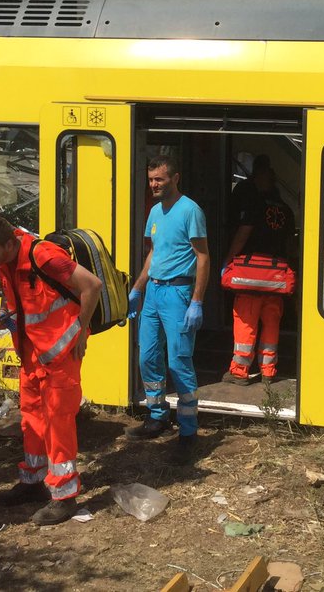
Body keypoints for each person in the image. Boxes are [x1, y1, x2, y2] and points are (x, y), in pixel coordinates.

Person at [0, 215, 101, 525]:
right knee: (31, 418)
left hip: (60, 354)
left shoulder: (42, 256)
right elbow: (20, 297)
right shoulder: (5, 262)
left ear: (8, 244)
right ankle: (32, 481)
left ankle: (65, 496)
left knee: (58, 424)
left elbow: (92, 286)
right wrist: (6, 313)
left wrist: (81, 334)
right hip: (33, 354)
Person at [125, 155, 210, 462]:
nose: (154, 185)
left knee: (179, 361)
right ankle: (157, 415)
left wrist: (196, 301)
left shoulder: (190, 210)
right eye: (151, 179)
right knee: (147, 355)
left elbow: (202, 257)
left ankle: (188, 431)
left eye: (159, 179)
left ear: (175, 178)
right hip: (154, 292)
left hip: (178, 292)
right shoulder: (154, 211)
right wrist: (137, 289)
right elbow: (153, 254)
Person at [223, 155, 296, 384]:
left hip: (249, 276)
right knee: (272, 323)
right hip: (275, 278)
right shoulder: (285, 209)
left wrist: (227, 262)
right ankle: (268, 371)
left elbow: (242, 235)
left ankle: (239, 372)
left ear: (258, 177)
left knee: (246, 323)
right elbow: (290, 244)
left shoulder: (253, 203)